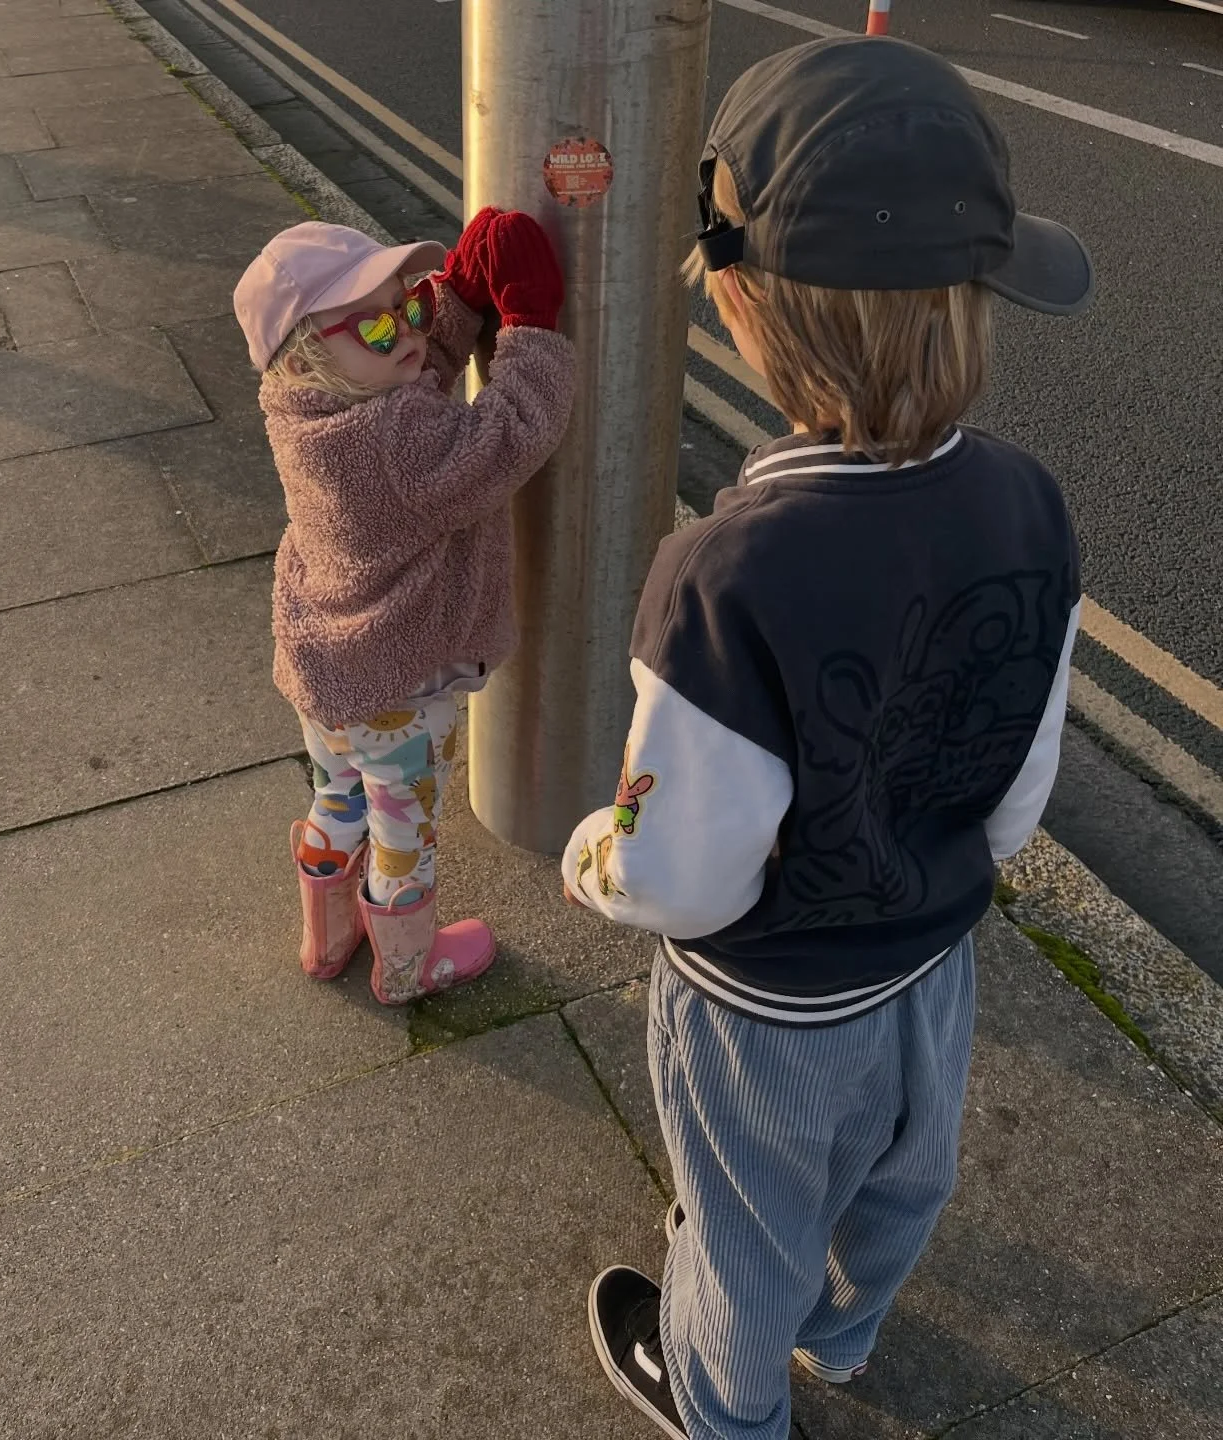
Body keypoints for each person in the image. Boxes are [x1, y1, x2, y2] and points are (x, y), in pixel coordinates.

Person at [563, 36, 1093, 1440]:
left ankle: (729, 1410)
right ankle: (848, 1341)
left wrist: (590, 862)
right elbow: (1019, 782)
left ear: (740, 305)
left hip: (766, 1010)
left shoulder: (727, 576)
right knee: (904, 1176)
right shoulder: (1030, 505)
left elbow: (682, 872)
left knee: (743, 1232)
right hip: (933, 961)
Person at [233, 212, 574, 1005]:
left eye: (411, 305)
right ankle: (410, 969)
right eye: (381, 323)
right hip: (401, 688)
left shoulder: (301, 408)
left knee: (338, 796)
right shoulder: (399, 440)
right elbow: (511, 432)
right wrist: (526, 326)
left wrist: (453, 298)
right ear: (310, 354)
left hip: (329, 670)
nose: (410, 334)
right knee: (404, 832)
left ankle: (327, 939)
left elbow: (406, 379)